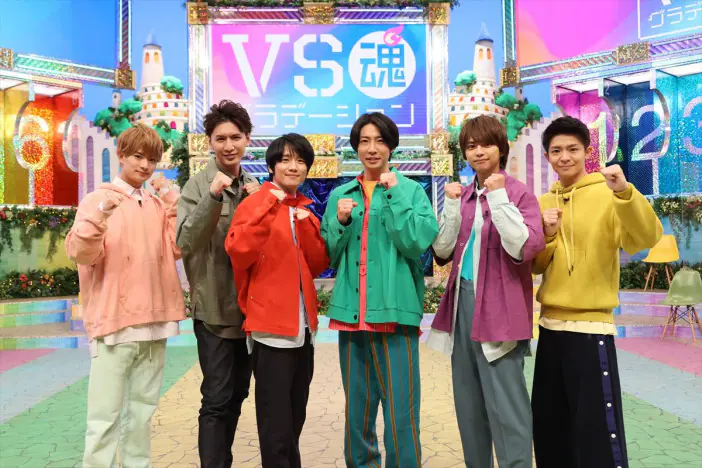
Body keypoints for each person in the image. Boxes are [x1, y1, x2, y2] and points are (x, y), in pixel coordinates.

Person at [532, 116, 663, 468]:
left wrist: (624, 192)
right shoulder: (544, 201)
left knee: (595, 432)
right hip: (549, 327)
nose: (564, 157)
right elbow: (536, 265)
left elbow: (646, 238)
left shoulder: (609, 193)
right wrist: (547, 235)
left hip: (591, 328)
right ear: (547, 156)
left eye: (572, 149)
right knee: (550, 424)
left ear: (587, 152)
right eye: (556, 151)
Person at [321, 112, 438, 467]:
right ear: (356, 147)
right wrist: (340, 221)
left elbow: (416, 242)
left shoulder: (412, 191)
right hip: (352, 315)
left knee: (401, 410)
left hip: (395, 313)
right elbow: (329, 253)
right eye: (364, 142)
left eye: (380, 141)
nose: (372, 149)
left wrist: (395, 193)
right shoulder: (341, 195)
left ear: (391, 146)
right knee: (357, 410)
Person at [66, 124, 186, 467]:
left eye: (152, 159)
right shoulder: (97, 200)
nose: (145, 165)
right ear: (121, 155)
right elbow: (80, 253)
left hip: (156, 322)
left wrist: (172, 202)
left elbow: (179, 247)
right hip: (114, 324)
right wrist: (100, 214)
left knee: (142, 414)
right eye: (137, 156)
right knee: (103, 417)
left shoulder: (156, 204)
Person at [428, 115, 545, 468]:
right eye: (471, 146)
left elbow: (524, 247)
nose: (478, 151)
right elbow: (442, 251)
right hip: (462, 305)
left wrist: (498, 196)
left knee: (507, 407)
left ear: (501, 148)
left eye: (486, 144)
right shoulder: (462, 196)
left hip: (501, 310)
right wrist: (450, 206)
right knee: (468, 404)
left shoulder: (519, 193)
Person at [225, 133, 329, 468]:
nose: (293, 166)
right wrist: (270, 205)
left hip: (303, 330)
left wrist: (308, 226)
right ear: (272, 166)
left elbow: (318, 264)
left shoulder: (304, 209)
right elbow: (238, 251)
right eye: (285, 160)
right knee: (275, 427)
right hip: (270, 330)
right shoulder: (254, 204)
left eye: (300, 161)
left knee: (294, 419)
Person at [176, 100, 261, 468]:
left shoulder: (255, 186)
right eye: (221, 138)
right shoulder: (197, 186)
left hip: (250, 312)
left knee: (238, 393)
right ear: (209, 142)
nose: (229, 145)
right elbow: (185, 242)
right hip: (214, 309)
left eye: (236, 137)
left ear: (247, 139)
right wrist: (212, 197)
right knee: (216, 398)